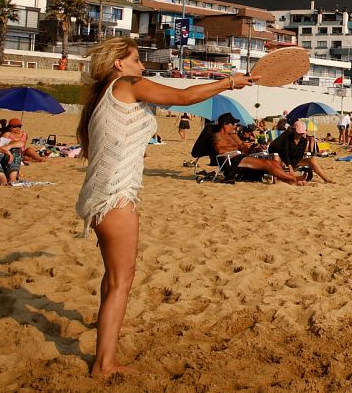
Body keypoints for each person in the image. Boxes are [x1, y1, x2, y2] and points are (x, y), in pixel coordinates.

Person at [74, 37, 258, 377]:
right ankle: (104, 364)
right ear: (119, 64)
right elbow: (184, 98)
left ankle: (108, 324)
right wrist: (231, 82)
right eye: (135, 59)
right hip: (115, 197)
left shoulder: (102, 95)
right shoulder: (127, 84)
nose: (141, 66)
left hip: (101, 194)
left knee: (113, 274)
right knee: (122, 279)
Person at [212, 113, 304, 185]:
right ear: (225, 124)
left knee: (274, 163)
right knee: (267, 164)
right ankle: (293, 178)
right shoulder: (217, 136)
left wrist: (253, 147)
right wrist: (237, 147)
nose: (234, 126)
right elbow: (220, 151)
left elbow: (244, 149)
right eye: (232, 124)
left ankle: (289, 181)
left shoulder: (234, 135)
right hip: (231, 160)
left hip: (241, 156)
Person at [269, 120, 335, 183]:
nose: (300, 135)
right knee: (276, 157)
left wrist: (303, 166)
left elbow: (300, 155)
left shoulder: (303, 141)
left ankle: (326, 179)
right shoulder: (287, 138)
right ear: (294, 130)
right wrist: (289, 166)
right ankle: (290, 180)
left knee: (311, 159)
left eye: (302, 133)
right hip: (283, 158)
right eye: (298, 133)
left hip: (294, 160)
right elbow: (285, 153)